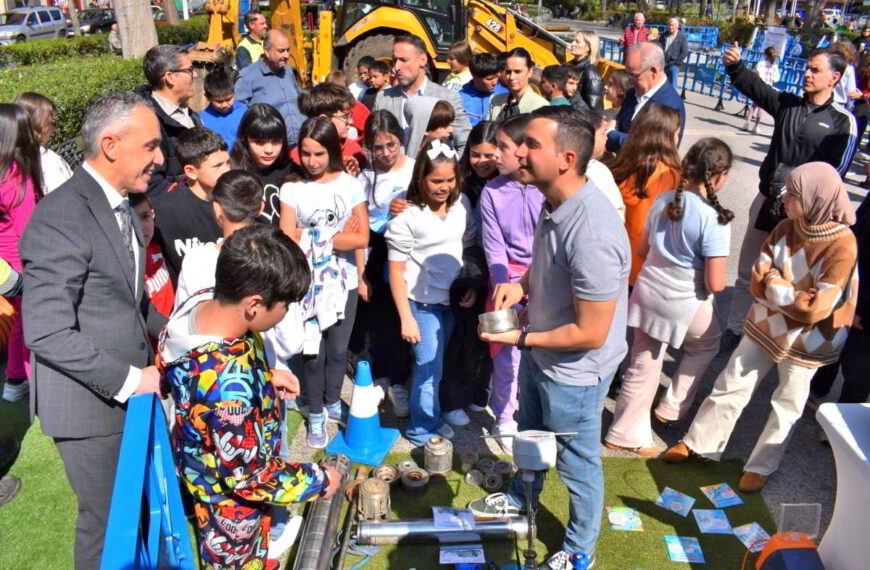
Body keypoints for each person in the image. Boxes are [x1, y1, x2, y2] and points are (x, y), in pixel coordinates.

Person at [470, 106, 630, 570]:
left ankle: (581, 550)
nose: (517, 151)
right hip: (543, 356)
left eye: (531, 145)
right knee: (530, 440)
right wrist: (523, 287)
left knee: (577, 466)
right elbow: (546, 269)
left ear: (567, 158)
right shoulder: (552, 200)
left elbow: (591, 331)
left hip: (576, 373)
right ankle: (523, 500)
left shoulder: (594, 231)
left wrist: (522, 339)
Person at [21, 91, 165, 569]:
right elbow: (46, 331)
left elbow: (131, 303)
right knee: (108, 530)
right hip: (89, 410)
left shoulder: (119, 203)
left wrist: (195, 335)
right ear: (110, 145)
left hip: (128, 399)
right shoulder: (60, 217)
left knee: (141, 515)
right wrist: (132, 380)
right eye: (150, 146)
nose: (159, 159)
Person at [665, 163, 858, 494]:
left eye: (792, 194)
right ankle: (699, 442)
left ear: (815, 198)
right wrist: (785, 288)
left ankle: (762, 465)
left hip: (808, 342)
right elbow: (758, 274)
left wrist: (775, 286)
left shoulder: (842, 245)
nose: (784, 200)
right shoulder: (785, 227)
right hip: (765, 326)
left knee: (788, 402)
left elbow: (816, 309)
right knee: (731, 382)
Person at [160, 224, 341, 569]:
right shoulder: (230, 392)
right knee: (238, 560)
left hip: (205, 471)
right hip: (231, 508)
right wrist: (319, 480)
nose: (287, 312)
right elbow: (250, 476)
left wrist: (264, 377)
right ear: (254, 305)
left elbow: (206, 374)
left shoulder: (200, 304)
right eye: (285, 305)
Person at [720, 44, 857, 348]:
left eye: (815, 69)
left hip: (802, 218)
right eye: (807, 67)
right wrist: (735, 67)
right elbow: (758, 88)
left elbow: (835, 175)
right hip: (767, 202)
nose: (806, 73)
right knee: (748, 272)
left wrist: (804, 199)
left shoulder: (842, 122)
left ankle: (774, 336)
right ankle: (735, 330)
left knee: (790, 281)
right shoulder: (788, 105)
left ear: (835, 78)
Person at [605, 138, 733, 456]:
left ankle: (622, 432)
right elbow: (716, 283)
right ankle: (672, 406)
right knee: (706, 344)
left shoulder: (664, 200)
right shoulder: (715, 218)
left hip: (648, 291)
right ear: (721, 175)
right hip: (685, 300)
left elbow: (643, 250)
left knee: (642, 361)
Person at [279, 117, 369, 448]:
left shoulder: (350, 185)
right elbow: (286, 235)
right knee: (312, 353)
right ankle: (315, 413)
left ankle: (332, 401)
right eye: (305, 153)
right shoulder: (293, 188)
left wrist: (312, 236)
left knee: (337, 348)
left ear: (332, 150)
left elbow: (361, 237)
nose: (312, 161)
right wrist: (334, 235)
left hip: (343, 282)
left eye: (319, 153)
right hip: (305, 286)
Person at [386, 136, 478, 446]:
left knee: (436, 366)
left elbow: (466, 248)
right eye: (436, 180)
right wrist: (406, 318)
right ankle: (421, 429)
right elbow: (396, 271)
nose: (444, 186)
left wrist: (469, 286)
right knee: (428, 368)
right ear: (421, 178)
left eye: (450, 179)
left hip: (452, 303)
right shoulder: (407, 217)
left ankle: (432, 417)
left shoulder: (462, 205)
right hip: (421, 306)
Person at [478, 115, 545, 449]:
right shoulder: (491, 192)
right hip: (504, 284)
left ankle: (533, 412)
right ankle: (504, 417)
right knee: (506, 357)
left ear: (524, 149)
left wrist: (533, 282)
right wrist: (504, 286)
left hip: (544, 281)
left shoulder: (545, 186)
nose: (495, 156)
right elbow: (494, 248)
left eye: (502, 147)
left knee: (539, 353)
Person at [349, 111, 414, 417]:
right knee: (374, 321)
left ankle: (399, 382)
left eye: (392, 145)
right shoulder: (363, 177)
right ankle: (378, 378)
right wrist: (361, 274)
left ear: (400, 140)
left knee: (400, 319)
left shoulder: (414, 170)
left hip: (406, 256)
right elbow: (360, 228)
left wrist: (411, 207)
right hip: (375, 251)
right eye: (378, 148)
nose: (386, 153)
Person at [607, 104, 682, 286]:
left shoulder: (622, 166)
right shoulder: (670, 175)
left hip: (611, 260)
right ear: (668, 137)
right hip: (644, 269)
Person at [809, 196, 870, 406]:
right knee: (835, 340)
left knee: (859, 369)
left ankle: (843, 422)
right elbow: (857, 229)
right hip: (854, 285)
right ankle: (818, 389)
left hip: (862, 302)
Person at [0, 104, 42, 403]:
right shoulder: (16, 177)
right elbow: (29, 229)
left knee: (16, 323)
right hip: (20, 265)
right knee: (29, 323)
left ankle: (15, 378)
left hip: (4, 266)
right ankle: (27, 378)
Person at [151, 128, 229, 283]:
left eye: (228, 162)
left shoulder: (236, 202)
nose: (227, 170)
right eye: (218, 165)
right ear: (191, 171)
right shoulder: (162, 211)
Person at [375, 35, 471, 153]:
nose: (396, 67)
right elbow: (372, 143)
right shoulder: (383, 99)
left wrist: (448, 168)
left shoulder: (448, 98)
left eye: (404, 60)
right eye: (395, 61)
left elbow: (465, 143)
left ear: (423, 60)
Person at [138, 45, 202, 196]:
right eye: (189, 70)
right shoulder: (148, 124)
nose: (196, 75)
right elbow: (154, 186)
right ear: (170, 77)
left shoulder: (188, 112)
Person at [606, 42, 686, 153]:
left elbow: (649, 147)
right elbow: (621, 124)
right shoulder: (631, 94)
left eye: (634, 75)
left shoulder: (669, 105)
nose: (629, 80)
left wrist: (610, 133)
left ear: (653, 72)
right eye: (627, 73)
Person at [235, 29, 306, 147]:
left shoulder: (288, 72)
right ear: (267, 51)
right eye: (281, 51)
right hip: (270, 150)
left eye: (288, 50)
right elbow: (237, 111)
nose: (286, 55)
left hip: (298, 145)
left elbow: (299, 99)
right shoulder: (248, 76)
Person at [230, 103, 293, 225]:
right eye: (259, 142)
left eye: (276, 141)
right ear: (245, 140)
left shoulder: (293, 173)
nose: (269, 150)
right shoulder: (233, 174)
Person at [129, 193, 174, 345]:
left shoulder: (157, 246)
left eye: (145, 216)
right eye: (132, 219)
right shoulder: (122, 267)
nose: (142, 226)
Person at [295, 82, 368, 176]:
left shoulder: (354, 151)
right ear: (324, 120)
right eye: (346, 117)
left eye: (350, 115)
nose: (351, 122)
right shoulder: (297, 157)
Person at [14, 92, 73, 194]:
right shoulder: (47, 161)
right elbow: (64, 198)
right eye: (49, 122)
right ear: (36, 123)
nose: (53, 128)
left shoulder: (12, 157)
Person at [488, 47, 549, 121]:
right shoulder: (496, 100)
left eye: (517, 71)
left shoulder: (540, 106)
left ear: (529, 72)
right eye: (508, 72)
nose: (511, 77)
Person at [585, 110, 625, 221]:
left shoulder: (600, 169)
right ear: (589, 137)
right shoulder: (598, 174)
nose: (607, 137)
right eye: (603, 132)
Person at [200, 67, 248, 149]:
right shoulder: (201, 120)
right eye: (219, 101)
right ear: (207, 98)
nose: (225, 104)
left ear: (234, 93)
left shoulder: (245, 113)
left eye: (229, 99)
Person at [459, 52, 508, 127]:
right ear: (474, 76)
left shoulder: (506, 95)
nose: (494, 82)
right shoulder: (460, 98)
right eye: (489, 79)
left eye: (496, 76)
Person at [742, 47, 780, 135]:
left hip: (758, 87)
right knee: (761, 108)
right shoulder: (774, 67)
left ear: (765, 54)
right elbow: (776, 79)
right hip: (767, 89)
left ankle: (746, 123)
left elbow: (755, 73)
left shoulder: (761, 64)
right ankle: (756, 126)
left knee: (753, 106)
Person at [569, 30, 603, 110]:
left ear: (588, 47)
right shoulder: (568, 66)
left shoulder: (592, 74)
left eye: (577, 42)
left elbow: (593, 110)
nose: (572, 44)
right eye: (573, 41)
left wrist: (572, 94)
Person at [830, 41, 863, 110]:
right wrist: (849, 108)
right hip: (838, 104)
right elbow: (850, 92)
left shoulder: (826, 64)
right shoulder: (849, 68)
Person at [660, 17, 689, 89]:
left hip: (674, 65)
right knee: (661, 84)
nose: (670, 27)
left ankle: (672, 99)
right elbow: (659, 47)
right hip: (663, 64)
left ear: (677, 26)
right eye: (669, 25)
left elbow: (684, 51)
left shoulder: (681, 36)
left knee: (672, 85)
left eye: (672, 25)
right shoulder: (663, 35)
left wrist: (677, 62)